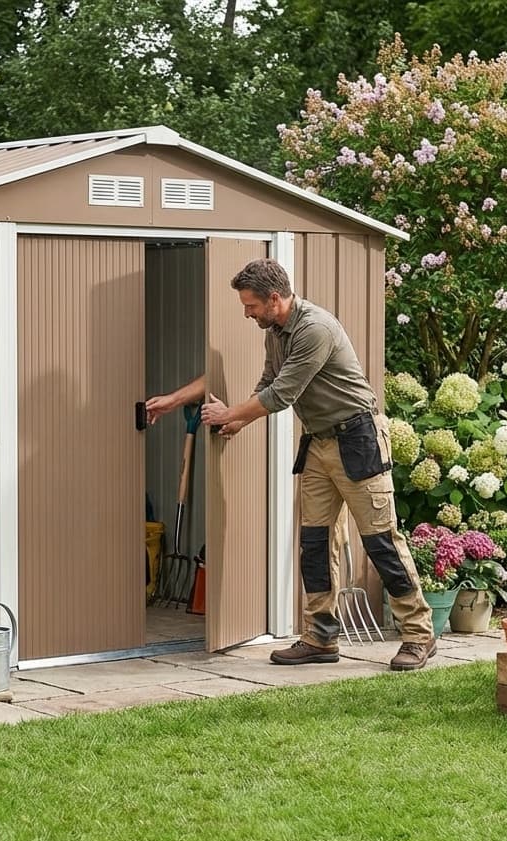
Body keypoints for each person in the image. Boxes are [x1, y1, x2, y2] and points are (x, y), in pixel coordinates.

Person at [145, 258, 437, 671]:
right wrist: (239, 422)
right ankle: (319, 638)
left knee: (381, 542)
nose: (247, 313)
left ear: (274, 299)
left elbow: (283, 393)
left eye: (250, 305)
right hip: (317, 444)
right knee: (315, 544)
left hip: (359, 440)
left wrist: (229, 415)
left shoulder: (315, 328)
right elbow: (267, 383)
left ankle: (418, 636)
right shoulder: (276, 332)